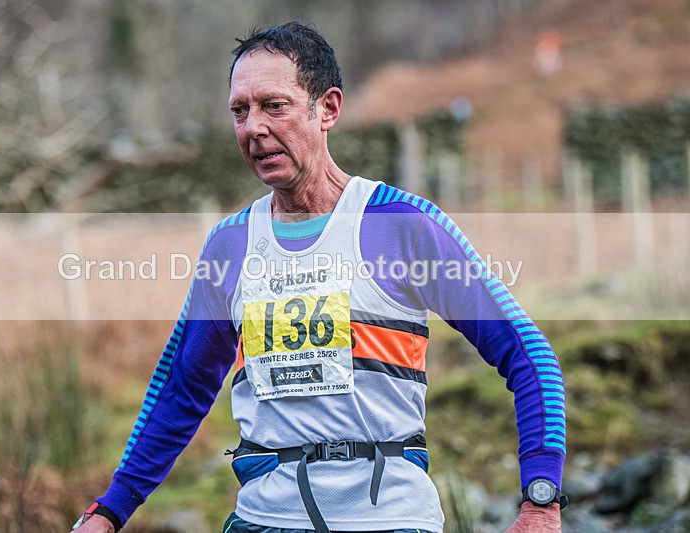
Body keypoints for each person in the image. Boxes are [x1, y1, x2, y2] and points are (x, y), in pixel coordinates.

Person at [73, 22, 566, 533]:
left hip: (390, 520)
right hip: (262, 520)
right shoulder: (231, 244)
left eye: (274, 105)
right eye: (239, 111)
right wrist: (109, 511)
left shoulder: (399, 225)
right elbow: (181, 388)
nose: (253, 128)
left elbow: (531, 358)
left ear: (327, 108)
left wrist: (540, 501)